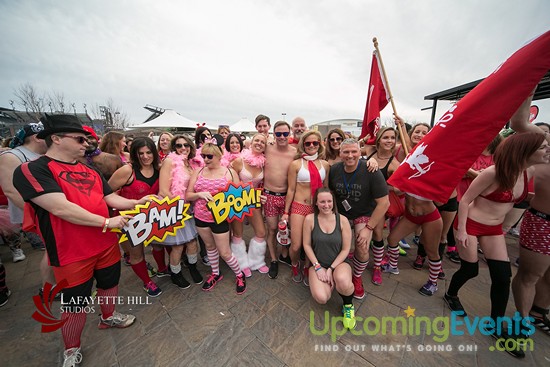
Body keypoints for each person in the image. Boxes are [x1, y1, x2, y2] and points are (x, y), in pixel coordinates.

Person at [13, 114, 149, 367]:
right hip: (70, 251)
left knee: (110, 283)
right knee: (75, 302)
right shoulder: (32, 170)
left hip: (105, 244)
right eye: (79, 139)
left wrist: (136, 202)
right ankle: (71, 348)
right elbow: (60, 208)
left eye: (87, 139)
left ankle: (108, 317)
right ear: (55, 139)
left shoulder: (88, 169)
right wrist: (107, 222)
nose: (86, 144)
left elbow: (109, 199)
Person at [446, 132, 548, 358]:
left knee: (502, 276)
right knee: (470, 269)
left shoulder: (528, 171)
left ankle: (496, 325)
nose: (546, 151)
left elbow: (525, 195)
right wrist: (461, 230)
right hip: (471, 224)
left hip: (493, 229)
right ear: (526, 151)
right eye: (542, 147)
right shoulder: (492, 172)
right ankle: (451, 294)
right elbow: (465, 200)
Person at [328, 138, 389, 298]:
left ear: (359, 152)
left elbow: (384, 203)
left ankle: (357, 277)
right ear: (340, 153)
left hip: (363, 214)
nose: (350, 155)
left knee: (362, 247)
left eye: (354, 151)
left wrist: (368, 229)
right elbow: (330, 194)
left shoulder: (370, 170)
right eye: (346, 152)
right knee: (333, 243)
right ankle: (336, 272)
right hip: (341, 215)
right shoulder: (334, 170)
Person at [186, 137, 246, 294]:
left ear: (219, 157)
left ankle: (239, 275)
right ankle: (215, 273)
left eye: (209, 156)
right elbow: (188, 195)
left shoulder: (230, 173)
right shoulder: (197, 171)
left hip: (220, 218)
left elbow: (239, 196)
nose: (205, 159)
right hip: (200, 217)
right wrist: (199, 194)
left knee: (225, 252)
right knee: (210, 247)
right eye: (203, 156)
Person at [108, 137, 163, 297]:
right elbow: (106, 192)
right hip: (129, 219)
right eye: (141, 153)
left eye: (148, 152)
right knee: (136, 253)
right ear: (134, 154)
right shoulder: (127, 170)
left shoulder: (159, 169)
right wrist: (133, 202)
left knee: (158, 245)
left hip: (153, 217)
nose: (145, 156)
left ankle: (162, 269)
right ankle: (147, 282)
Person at [303, 188, 356, 329]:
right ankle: (330, 285)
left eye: (329, 201)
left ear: (333, 202)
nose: (326, 205)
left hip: (339, 264)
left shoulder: (343, 220)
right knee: (321, 298)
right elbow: (306, 245)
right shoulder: (310, 219)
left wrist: (331, 269)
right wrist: (318, 267)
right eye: (322, 202)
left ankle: (348, 305)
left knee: (343, 281)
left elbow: (346, 249)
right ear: (316, 203)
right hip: (318, 264)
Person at [282, 130, 330, 285]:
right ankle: (295, 265)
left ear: (320, 144)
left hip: (317, 209)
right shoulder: (295, 164)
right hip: (299, 207)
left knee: (313, 244)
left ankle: (307, 267)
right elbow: (291, 189)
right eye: (308, 143)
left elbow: (326, 189)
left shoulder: (325, 165)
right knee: (296, 245)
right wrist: (286, 212)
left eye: (315, 143)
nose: (311, 146)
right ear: (303, 144)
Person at [158, 135, 203, 287]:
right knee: (178, 246)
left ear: (191, 147)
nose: (183, 148)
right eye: (178, 145)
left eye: (186, 145)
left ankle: (192, 268)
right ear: (174, 148)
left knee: (192, 243)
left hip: (190, 210)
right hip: (175, 209)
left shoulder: (191, 163)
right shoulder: (170, 162)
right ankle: (175, 273)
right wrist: (179, 207)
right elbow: (163, 190)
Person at [230, 133, 268, 277]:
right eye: (256, 140)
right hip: (238, 202)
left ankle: (256, 262)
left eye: (262, 142)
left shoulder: (264, 163)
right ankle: (241, 264)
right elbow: (228, 179)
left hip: (254, 202)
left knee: (261, 232)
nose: (259, 143)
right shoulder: (239, 161)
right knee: (238, 234)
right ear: (250, 143)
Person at [263, 121, 297, 279]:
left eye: (285, 133)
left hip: (287, 197)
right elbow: (248, 144)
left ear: (289, 134)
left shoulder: (294, 152)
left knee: (286, 229)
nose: (282, 137)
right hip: (269, 196)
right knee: (272, 229)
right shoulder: (267, 148)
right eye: (278, 134)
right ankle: (274, 260)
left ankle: (284, 255)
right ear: (273, 134)